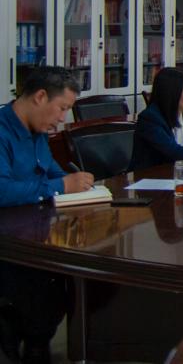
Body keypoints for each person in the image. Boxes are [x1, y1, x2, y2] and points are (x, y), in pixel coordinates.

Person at [0, 67, 92, 363]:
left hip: (38, 230)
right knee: (43, 288)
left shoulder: (37, 130)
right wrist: (62, 185)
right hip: (9, 242)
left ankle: (38, 343)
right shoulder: (2, 131)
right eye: (62, 108)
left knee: (64, 283)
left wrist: (78, 183)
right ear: (40, 97)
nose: (63, 118)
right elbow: (2, 190)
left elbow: (51, 170)